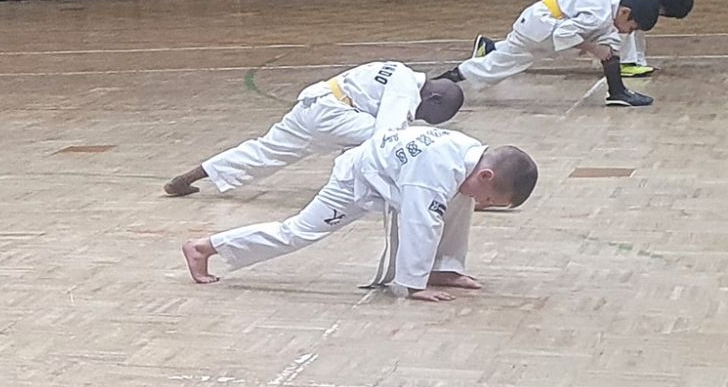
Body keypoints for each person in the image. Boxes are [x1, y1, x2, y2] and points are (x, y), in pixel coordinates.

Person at [182, 126, 538, 301]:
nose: (484, 204)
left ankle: (444, 268)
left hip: (384, 170)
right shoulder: (435, 174)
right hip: (355, 181)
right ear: (486, 175)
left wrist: (440, 270)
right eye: (490, 198)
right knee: (298, 231)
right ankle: (204, 247)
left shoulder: (468, 154)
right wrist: (413, 286)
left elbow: (442, 211)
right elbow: (419, 225)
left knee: (460, 200)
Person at [164, 63, 461, 198]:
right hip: (334, 115)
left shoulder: (397, 68)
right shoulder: (406, 89)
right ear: (433, 98)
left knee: (264, 150)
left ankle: (188, 178)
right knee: (396, 142)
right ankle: (426, 190)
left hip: (315, 104)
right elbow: (388, 136)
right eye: (426, 115)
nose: (419, 117)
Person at [440, 0, 688, 107]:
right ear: (624, 13)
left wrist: (598, 46)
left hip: (546, 23)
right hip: (540, 24)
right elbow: (563, 33)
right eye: (632, 28)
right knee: (497, 66)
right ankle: (439, 84)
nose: (630, 33)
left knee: (496, 65)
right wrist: (592, 48)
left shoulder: (621, 6)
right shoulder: (598, 14)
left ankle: (617, 92)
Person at [611, 0, 694, 80]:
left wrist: (640, 62)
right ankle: (625, 63)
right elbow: (620, 22)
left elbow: (638, 32)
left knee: (635, 24)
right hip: (598, 13)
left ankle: (633, 61)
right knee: (626, 24)